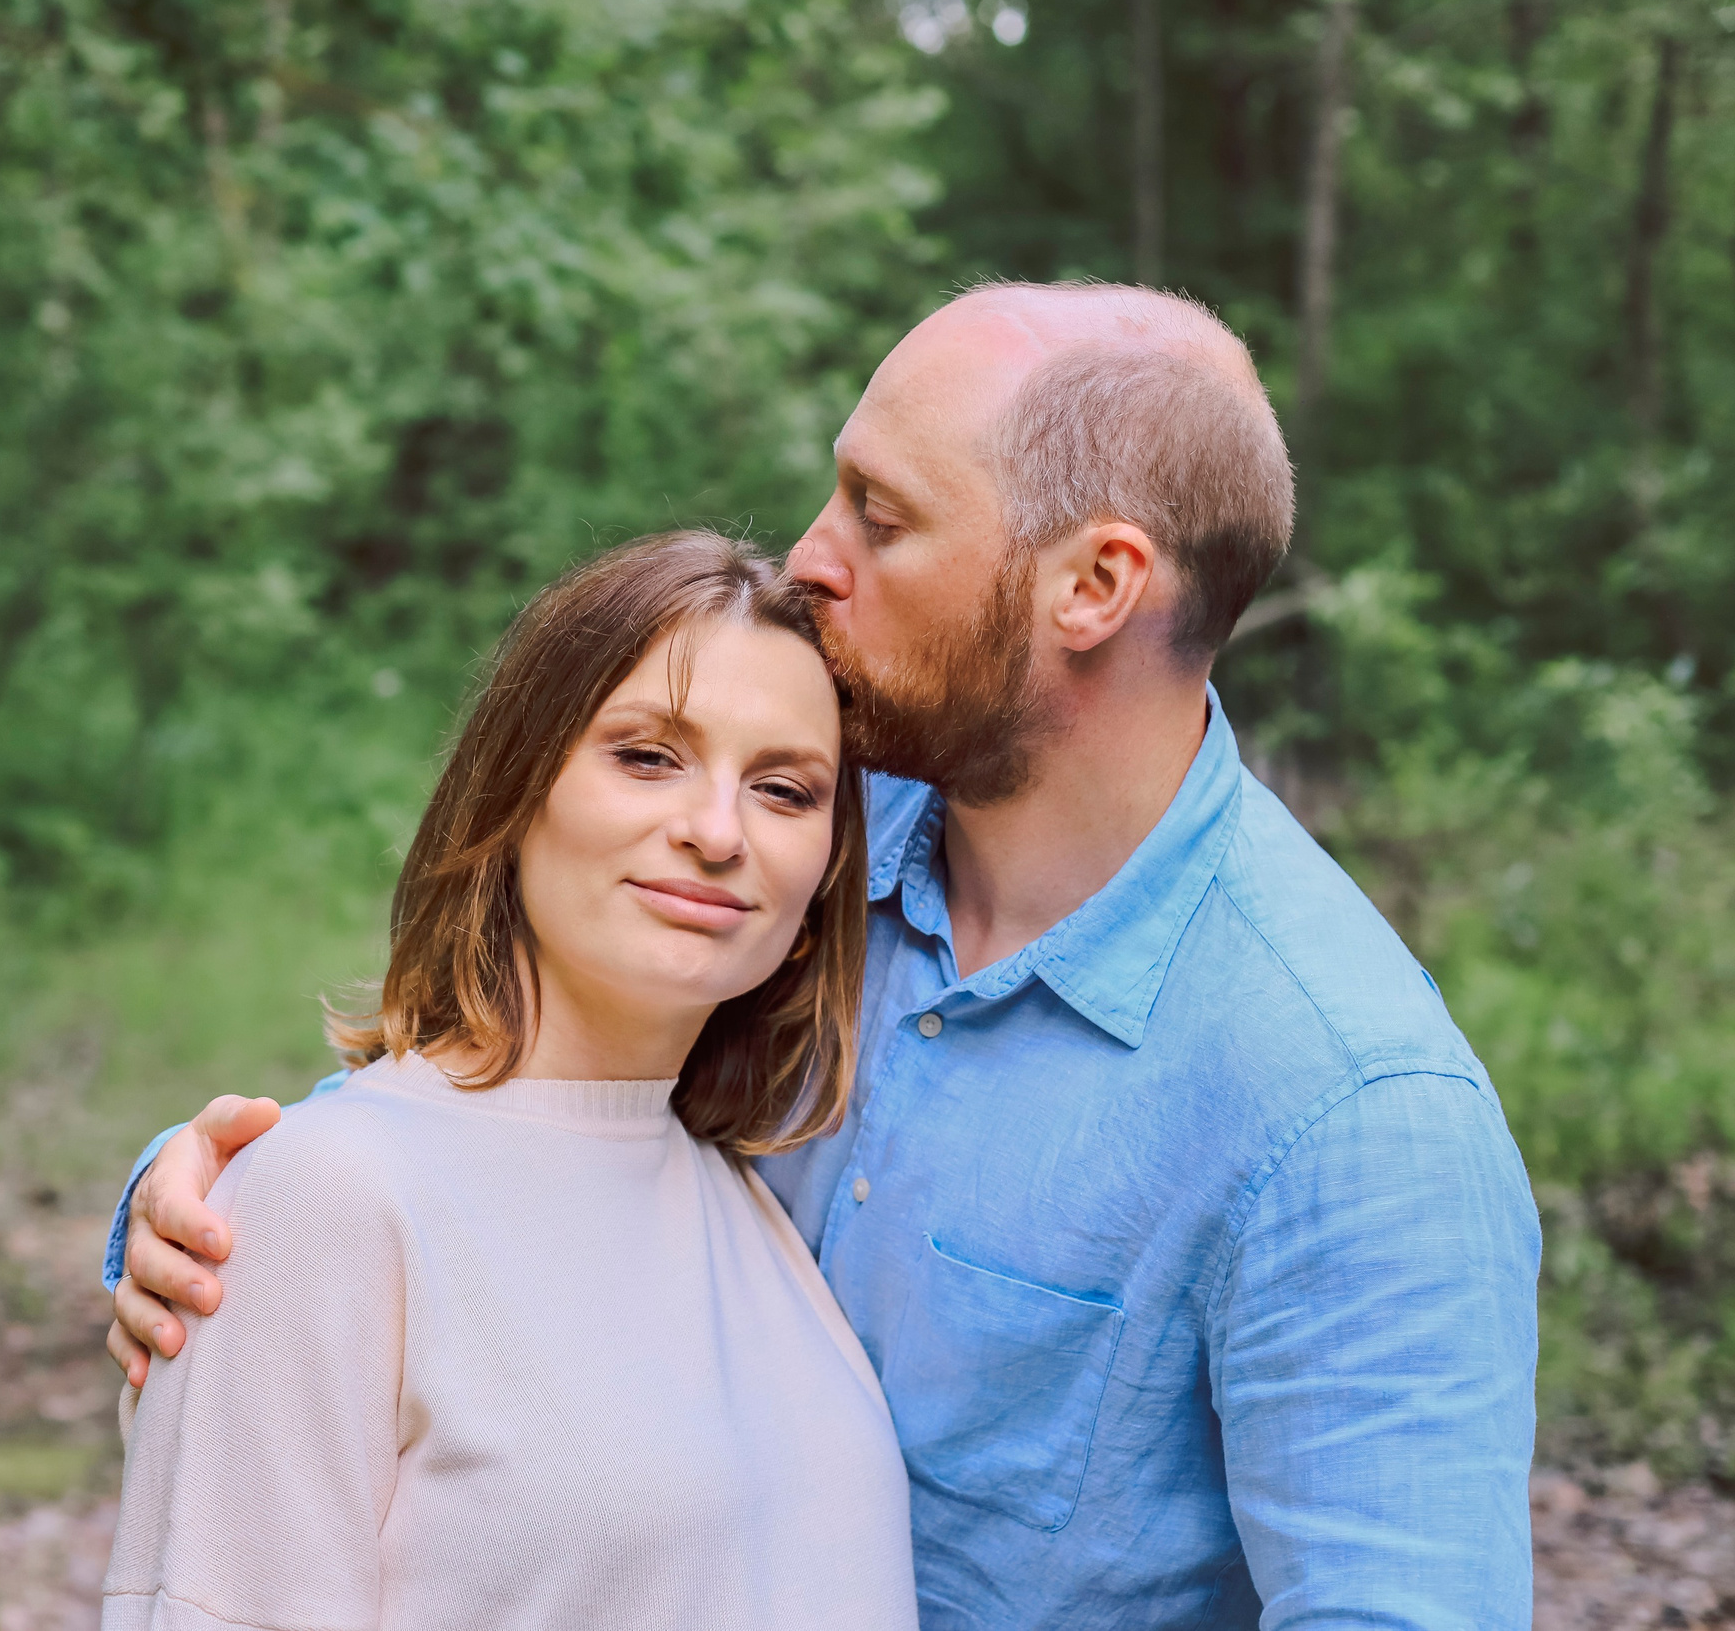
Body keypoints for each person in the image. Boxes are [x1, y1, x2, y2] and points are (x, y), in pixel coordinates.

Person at [107, 282, 1543, 1627]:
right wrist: (217, 1210)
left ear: (1094, 585)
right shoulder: (803, 843)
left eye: (882, 513)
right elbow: (489, 1140)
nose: (810, 554)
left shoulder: (1349, 1112)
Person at [102, 533, 921, 1630]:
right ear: (517, 785)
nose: (718, 832)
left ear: (824, 877)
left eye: (783, 788)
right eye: (646, 756)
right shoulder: (324, 1200)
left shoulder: (751, 1200)